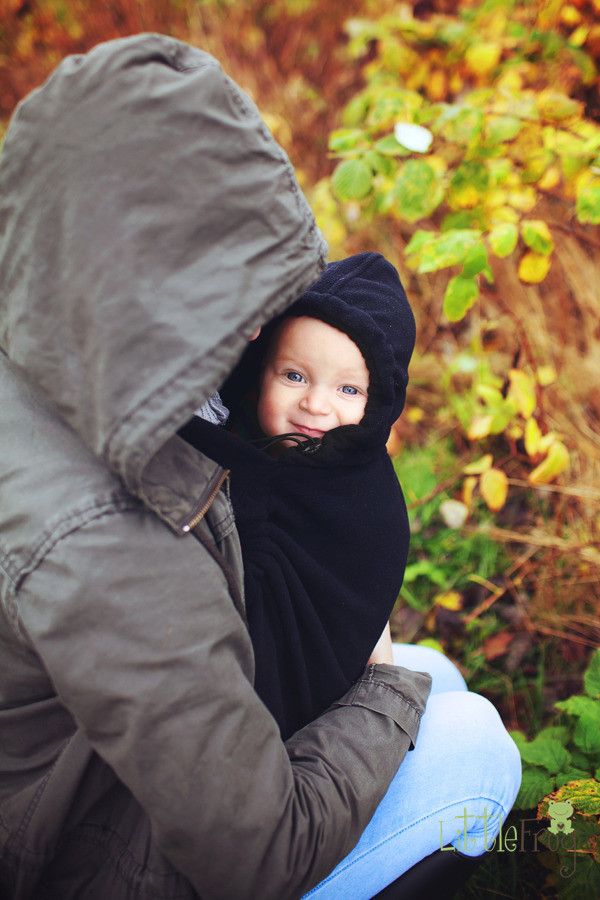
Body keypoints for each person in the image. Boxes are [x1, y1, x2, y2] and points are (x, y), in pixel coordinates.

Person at [0, 33, 520, 900]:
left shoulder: (44, 338)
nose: (254, 332)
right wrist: (387, 686)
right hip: (88, 845)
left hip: (64, 753)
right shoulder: (105, 546)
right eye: (226, 297)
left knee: (442, 680)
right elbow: (258, 855)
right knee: (472, 742)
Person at [179, 252, 416, 739]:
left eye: (348, 390)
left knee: (444, 675)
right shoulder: (229, 455)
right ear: (258, 373)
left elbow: (358, 580)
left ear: (378, 406)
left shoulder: (363, 492)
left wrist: (379, 664)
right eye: (295, 376)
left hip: (342, 676)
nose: (314, 403)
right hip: (279, 738)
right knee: (462, 715)